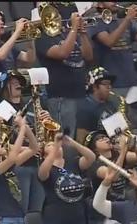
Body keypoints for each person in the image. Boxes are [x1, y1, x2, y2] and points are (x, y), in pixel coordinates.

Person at [38, 132, 96, 224]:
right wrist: (55, 148)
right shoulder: (47, 168)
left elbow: (91, 157)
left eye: (56, 144)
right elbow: (42, 174)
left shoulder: (73, 163)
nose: (54, 145)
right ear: (44, 153)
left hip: (77, 222)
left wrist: (71, 142)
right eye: (49, 145)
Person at [84, 129, 137, 224]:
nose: (106, 139)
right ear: (94, 148)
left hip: (119, 212)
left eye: (105, 137)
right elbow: (112, 176)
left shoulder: (117, 155)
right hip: (101, 217)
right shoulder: (95, 164)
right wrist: (123, 151)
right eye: (100, 139)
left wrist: (132, 144)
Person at [36, 3, 93, 138]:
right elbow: (62, 53)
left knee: (81, 138)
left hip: (80, 92)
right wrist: (73, 28)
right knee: (65, 139)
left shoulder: (69, 34)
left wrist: (83, 34)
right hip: (61, 96)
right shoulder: (42, 38)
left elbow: (89, 56)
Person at [0, 70, 47, 213]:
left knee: (37, 210)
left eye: (19, 81)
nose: (17, 84)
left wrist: (47, 120)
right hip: (19, 165)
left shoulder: (31, 104)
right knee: (21, 209)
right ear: (4, 86)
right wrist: (26, 150)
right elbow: (0, 142)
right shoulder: (1, 109)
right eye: (13, 82)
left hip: (37, 163)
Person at [89, 2, 137, 94]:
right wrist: (127, 19)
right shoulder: (96, 23)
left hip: (132, 81)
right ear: (100, 4)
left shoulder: (123, 22)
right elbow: (109, 42)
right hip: (111, 84)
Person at [76, 66, 121, 145]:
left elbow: (118, 129)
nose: (109, 87)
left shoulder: (111, 104)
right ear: (94, 87)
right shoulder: (85, 108)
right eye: (105, 84)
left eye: (110, 84)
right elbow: (81, 139)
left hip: (114, 145)